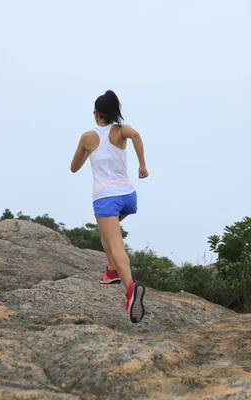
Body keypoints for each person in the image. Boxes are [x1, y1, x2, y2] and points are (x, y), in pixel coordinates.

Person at [70, 90, 149, 323]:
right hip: (128, 196)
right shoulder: (121, 131)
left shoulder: (88, 137)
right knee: (106, 231)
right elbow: (135, 134)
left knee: (115, 242)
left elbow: (74, 167)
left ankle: (130, 288)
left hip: (105, 197)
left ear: (96, 114)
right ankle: (111, 271)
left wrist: (87, 152)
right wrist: (142, 165)